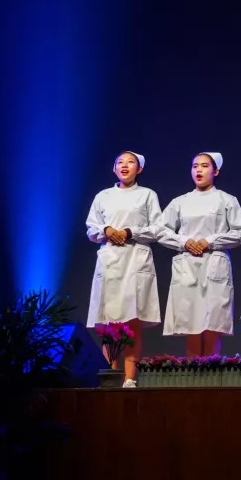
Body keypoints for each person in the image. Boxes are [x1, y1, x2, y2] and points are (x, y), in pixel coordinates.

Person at [84, 151, 163, 388]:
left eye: (131, 162)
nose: (125, 165)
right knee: (109, 323)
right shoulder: (103, 196)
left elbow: (157, 228)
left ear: (139, 169)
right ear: (114, 168)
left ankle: (129, 378)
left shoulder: (147, 195)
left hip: (135, 259)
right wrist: (106, 230)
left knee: (132, 321)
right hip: (110, 260)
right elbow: (91, 227)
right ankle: (110, 375)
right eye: (120, 162)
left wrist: (130, 232)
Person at [157, 152, 241, 358]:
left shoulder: (227, 200)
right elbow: (160, 231)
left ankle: (212, 372)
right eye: (195, 165)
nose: (199, 170)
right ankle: (192, 372)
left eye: (205, 166)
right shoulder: (180, 201)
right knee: (191, 323)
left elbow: (240, 232)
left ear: (216, 172)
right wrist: (184, 241)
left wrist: (211, 241)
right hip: (187, 264)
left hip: (214, 263)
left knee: (213, 322)